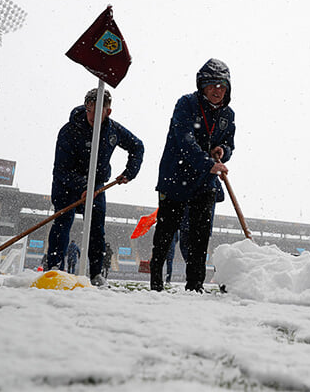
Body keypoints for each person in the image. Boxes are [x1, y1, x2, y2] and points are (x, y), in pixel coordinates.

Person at [150, 58, 235, 292]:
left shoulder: (228, 115)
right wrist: (207, 162)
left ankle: (195, 285)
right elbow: (184, 139)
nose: (217, 90)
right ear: (202, 85)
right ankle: (156, 284)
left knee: (200, 236)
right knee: (166, 234)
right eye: (212, 84)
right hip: (175, 178)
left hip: (204, 182)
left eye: (222, 85)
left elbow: (229, 144)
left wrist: (222, 151)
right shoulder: (186, 104)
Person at [46, 88, 144, 286]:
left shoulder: (113, 130)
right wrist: (83, 185)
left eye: (98, 110)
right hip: (66, 185)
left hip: (97, 186)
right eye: (89, 109)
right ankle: (54, 268)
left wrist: (129, 172)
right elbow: (61, 169)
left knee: (96, 230)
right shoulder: (69, 130)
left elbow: (137, 146)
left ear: (108, 111)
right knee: (62, 222)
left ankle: (96, 274)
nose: (92, 115)